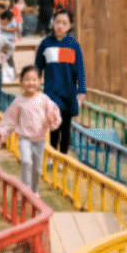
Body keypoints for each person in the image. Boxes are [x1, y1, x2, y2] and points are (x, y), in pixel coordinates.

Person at [0, 65, 61, 194]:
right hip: (24, 138)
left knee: (37, 169)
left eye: (34, 79)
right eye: (27, 80)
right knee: (26, 161)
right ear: (21, 82)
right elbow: (10, 118)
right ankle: (26, 191)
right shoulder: (19, 101)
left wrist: (52, 119)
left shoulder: (44, 99)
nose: (31, 83)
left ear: (39, 81)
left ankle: (35, 191)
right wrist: (1, 131)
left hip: (39, 140)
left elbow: (53, 113)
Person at [35, 10, 86, 155]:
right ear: (53, 23)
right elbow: (37, 67)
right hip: (52, 92)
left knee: (65, 126)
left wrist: (81, 89)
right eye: (57, 22)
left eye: (64, 23)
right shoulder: (45, 44)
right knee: (54, 125)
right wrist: (34, 84)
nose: (60, 26)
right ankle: (52, 154)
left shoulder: (73, 45)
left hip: (69, 92)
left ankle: (63, 156)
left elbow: (80, 69)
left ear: (70, 26)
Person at [0, 10, 18, 81]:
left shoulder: (12, 20)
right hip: (0, 41)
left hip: (8, 40)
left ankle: (13, 74)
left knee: (9, 59)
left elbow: (15, 29)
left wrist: (5, 29)